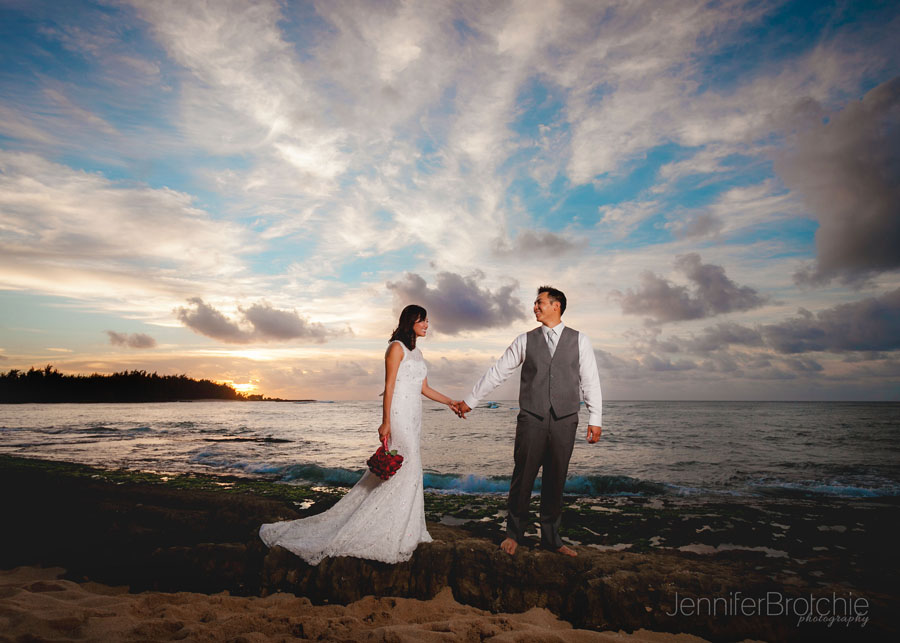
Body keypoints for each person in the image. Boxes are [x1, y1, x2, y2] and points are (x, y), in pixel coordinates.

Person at [259, 304, 461, 565]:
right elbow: (389, 386)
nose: (426, 325)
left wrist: (450, 402)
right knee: (406, 465)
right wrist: (386, 422)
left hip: (414, 415)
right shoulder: (396, 348)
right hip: (398, 414)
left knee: (410, 470)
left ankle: (405, 527)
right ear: (410, 321)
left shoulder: (418, 353)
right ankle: (383, 526)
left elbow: (425, 388)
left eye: (427, 321)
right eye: (422, 320)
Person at [453, 286, 602, 557]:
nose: (535, 307)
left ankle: (551, 539)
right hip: (531, 418)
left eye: (539, 302)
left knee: (556, 480)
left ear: (556, 305)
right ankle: (514, 535)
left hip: (565, 419)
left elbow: (590, 381)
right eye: (535, 303)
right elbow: (498, 372)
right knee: (523, 477)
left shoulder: (580, 340)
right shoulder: (525, 340)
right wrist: (471, 400)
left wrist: (596, 418)